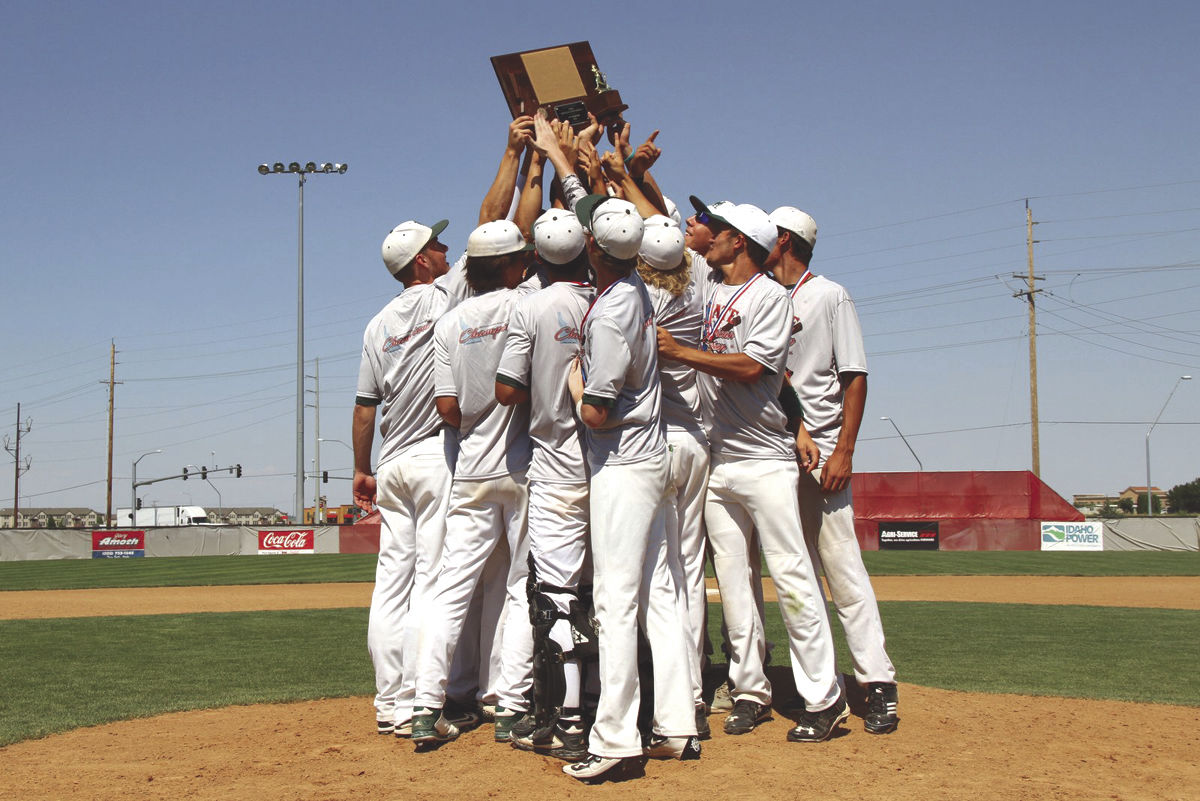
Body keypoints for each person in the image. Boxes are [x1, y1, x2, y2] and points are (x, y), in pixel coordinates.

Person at [656, 198, 848, 743]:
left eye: (716, 227)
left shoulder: (770, 296)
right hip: (719, 459)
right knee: (734, 585)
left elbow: (752, 367)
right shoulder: (710, 289)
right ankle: (749, 690)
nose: (707, 234)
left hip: (764, 462)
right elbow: (780, 382)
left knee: (792, 576)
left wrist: (681, 353)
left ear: (739, 240)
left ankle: (823, 698)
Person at [563, 194, 699, 782]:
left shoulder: (613, 310)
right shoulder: (638, 289)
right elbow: (599, 212)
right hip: (654, 459)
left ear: (593, 247)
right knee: (662, 595)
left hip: (623, 464)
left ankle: (616, 739)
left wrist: (574, 385)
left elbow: (595, 412)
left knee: (614, 602)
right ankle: (676, 724)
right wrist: (568, 156)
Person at [766, 206, 899, 734]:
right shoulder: (764, 296)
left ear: (783, 240)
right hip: (770, 453)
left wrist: (845, 449)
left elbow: (855, 375)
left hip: (821, 452)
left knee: (842, 569)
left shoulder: (829, 294)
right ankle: (817, 686)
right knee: (792, 576)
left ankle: (878, 683)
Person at [410, 220, 536, 746]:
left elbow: (446, 408)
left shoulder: (449, 321)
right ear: (509, 265)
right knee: (521, 588)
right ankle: (509, 706)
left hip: (471, 469)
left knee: (450, 589)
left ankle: (423, 707)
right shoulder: (526, 305)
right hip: (526, 466)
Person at [353, 217, 468, 739]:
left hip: (390, 461)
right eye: (437, 245)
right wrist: (517, 155)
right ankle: (420, 703)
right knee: (430, 581)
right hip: (430, 457)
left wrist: (361, 467)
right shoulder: (442, 294)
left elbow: (364, 407)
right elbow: (493, 221)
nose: (446, 249)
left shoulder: (377, 323)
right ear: (421, 261)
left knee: (390, 585)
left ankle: (388, 702)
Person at [495, 208, 594, 759]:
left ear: (537, 257)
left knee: (557, 596)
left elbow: (507, 390)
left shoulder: (530, 306)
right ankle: (620, 708)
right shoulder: (612, 297)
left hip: (555, 464)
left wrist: (545, 383)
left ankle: (571, 720)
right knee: (609, 592)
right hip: (612, 464)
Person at [636, 214, 711, 738]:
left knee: (659, 575)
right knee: (690, 570)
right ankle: (696, 691)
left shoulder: (638, 298)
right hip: (698, 440)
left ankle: (671, 693)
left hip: (657, 440)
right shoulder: (700, 283)